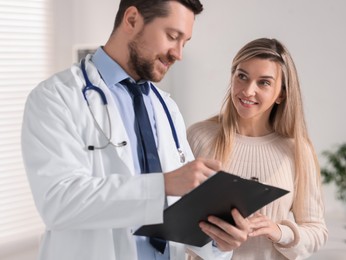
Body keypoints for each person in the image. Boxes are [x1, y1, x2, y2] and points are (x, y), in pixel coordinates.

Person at [21, 1, 250, 260]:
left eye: (184, 42)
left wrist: (219, 239)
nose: (178, 54)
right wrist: (164, 184)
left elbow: (180, 211)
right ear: (131, 19)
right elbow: (58, 202)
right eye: (172, 37)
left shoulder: (167, 107)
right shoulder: (56, 97)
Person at [187, 38, 328, 259]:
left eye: (264, 82)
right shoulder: (198, 136)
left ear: (281, 93)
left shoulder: (297, 151)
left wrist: (279, 232)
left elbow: (316, 231)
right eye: (242, 76)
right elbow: (173, 223)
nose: (248, 91)